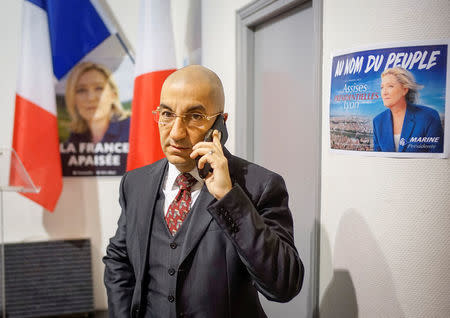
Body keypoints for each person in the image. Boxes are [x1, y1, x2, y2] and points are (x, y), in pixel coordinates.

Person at [103, 65, 304, 317]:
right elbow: (119, 260)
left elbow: (284, 286)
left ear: (221, 123)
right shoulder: (136, 183)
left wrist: (230, 198)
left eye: (195, 116)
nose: (175, 133)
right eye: (167, 114)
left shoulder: (260, 186)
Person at [373, 67, 443, 152]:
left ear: (405, 90)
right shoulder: (377, 121)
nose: (384, 92)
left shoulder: (429, 117)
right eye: (382, 87)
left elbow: (436, 159)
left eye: (390, 86)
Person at [65, 62, 130, 143]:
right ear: (73, 99)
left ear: (113, 95)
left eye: (99, 88)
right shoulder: (73, 141)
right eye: (81, 90)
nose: (91, 98)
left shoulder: (133, 130)